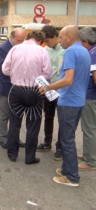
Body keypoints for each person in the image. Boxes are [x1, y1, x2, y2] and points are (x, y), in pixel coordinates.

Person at [39, 25, 90, 187]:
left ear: (69, 37)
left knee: (66, 139)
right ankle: (67, 168)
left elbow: (68, 80)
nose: (59, 40)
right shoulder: (84, 51)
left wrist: (48, 86)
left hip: (69, 101)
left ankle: (72, 176)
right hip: (79, 100)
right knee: (68, 138)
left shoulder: (70, 52)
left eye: (61, 37)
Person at [2, 31, 52, 164]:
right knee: (33, 125)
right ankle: (30, 157)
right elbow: (47, 73)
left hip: (16, 89)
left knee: (14, 123)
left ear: (27, 38)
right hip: (34, 91)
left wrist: (16, 73)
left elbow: (5, 70)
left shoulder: (14, 49)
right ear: (39, 40)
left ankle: (12, 154)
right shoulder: (42, 51)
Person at [36, 25, 64, 161]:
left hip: (61, 89)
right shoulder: (45, 50)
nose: (46, 43)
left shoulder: (65, 50)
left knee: (62, 119)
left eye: (47, 40)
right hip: (47, 88)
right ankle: (47, 142)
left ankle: (60, 147)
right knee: (48, 116)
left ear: (54, 37)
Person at [0, 28, 26, 149]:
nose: (20, 42)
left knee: (16, 115)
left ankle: (15, 138)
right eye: (18, 40)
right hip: (5, 86)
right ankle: (3, 138)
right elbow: (4, 68)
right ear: (11, 37)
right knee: (4, 114)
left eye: (22, 40)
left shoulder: (23, 48)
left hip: (18, 86)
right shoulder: (3, 48)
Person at [78, 27, 96, 171]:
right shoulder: (93, 51)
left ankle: (91, 161)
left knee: (89, 128)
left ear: (85, 41)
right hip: (89, 96)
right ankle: (89, 154)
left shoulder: (92, 54)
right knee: (90, 128)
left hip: (91, 97)